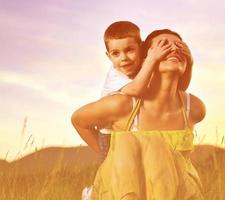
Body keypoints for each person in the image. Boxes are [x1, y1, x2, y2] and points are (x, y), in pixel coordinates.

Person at [72, 29, 206, 200]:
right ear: (145, 60)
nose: (173, 50)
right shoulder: (122, 104)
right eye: (163, 45)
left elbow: (179, 87)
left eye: (180, 47)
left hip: (177, 192)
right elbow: (78, 120)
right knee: (132, 144)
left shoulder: (193, 108)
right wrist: (108, 156)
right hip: (125, 191)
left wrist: (190, 61)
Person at [81, 21, 174, 200]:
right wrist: (152, 60)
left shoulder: (141, 66)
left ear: (141, 48)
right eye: (116, 53)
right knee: (114, 178)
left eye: (130, 50)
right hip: (110, 136)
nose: (124, 58)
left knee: (137, 178)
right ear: (108, 56)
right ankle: (92, 194)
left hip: (132, 133)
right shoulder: (115, 76)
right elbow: (136, 90)